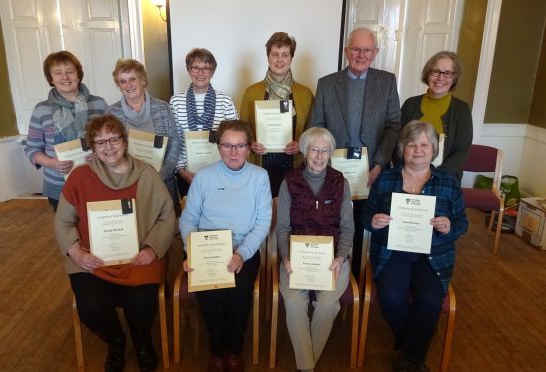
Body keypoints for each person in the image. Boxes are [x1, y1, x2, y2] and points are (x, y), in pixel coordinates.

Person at [54, 114, 175, 372]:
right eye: (100, 142)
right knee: (92, 309)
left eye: (113, 139)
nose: (108, 147)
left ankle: (142, 340)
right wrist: (77, 253)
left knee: (142, 304)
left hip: (139, 257)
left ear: (125, 141)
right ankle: (116, 340)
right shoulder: (79, 177)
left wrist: (152, 249)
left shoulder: (146, 174)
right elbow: (63, 222)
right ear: (93, 147)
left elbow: (167, 216)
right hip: (92, 259)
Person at [362, 121, 467, 372]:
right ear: (402, 149)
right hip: (392, 251)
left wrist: (449, 227)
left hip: (433, 254)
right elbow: (366, 216)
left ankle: (409, 358)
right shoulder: (386, 178)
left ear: (433, 149)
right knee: (390, 295)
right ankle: (414, 350)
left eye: (424, 145)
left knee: (430, 300)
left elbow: (462, 222)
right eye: (412, 145)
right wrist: (374, 221)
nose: (418, 150)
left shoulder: (448, 182)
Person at [179, 120, 271, 372]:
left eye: (239, 145)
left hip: (244, 250)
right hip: (206, 250)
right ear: (218, 147)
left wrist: (241, 253)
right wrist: (192, 252)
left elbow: (263, 222)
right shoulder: (204, 177)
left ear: (249, 148)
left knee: (239, 296)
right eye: (227, 145)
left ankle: (235, 350)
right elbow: (188, 219)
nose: (233, 152)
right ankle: (217, 349)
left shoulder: (260, 177)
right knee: (212, 297)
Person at [309, 27, 401, 276]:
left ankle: (358, 280)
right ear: (346, 51)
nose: (361, 55)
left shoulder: (387, 81)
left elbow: (394, 126)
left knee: (364, 225)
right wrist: (324, 163)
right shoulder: (327, 84)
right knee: (334, 223)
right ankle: (331, 275)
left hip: (372, 171)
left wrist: (379, 164)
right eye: (356, 49)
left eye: (367, 50)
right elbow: (316, 126)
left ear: (375, 52)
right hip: (333, 172)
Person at [276, 127, 354, 372]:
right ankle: (307, 367)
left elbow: (347, 227)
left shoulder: (340, 182)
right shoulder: (289, 181)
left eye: (324, 150)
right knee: (294, 302)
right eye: (313, 149)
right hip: (296, 258)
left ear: (331, 152)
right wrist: (286, 259)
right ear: (304, 151)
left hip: (333, 258)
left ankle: (304, 366)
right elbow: (282, 228)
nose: (319, 156)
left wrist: (341, 258)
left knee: (327, 304)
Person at [25, 51, 107, 211]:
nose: (65, 77)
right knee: (68, 232)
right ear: (51, 78)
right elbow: (31, 149)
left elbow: (112, 141)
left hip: (97, 178)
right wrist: (51, 163)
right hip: (58, 184)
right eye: (58, 73)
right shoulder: (41, 110)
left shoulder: (99, 104)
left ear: (78, 74)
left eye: (70, 71)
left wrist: (99, 154)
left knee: (97, 231)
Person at [240, 32, 314, 196]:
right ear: (268, 57)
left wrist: (301, 144)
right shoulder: (251, 92)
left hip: (295, 166)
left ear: (291, 58)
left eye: (285, 55)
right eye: (275, 54)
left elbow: (313, 130)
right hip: (260, 166)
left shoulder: (306, 94)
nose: (279, 60)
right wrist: (251, 143)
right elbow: (242, 129)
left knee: (292, 213)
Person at [107, 58, 181, 213]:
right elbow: (109, 149)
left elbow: (174, 142)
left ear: (143, 80)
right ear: (119, 86)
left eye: (132, 79)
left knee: (166, 226)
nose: (128, 85)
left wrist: (161, 175)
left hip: (162, 181)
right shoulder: (111, 113)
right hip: (126, 182)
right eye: (122, 81)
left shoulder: (162, 108)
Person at [170, 48, 238, 197]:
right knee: (190, 217)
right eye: (196, 68)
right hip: (187, 174)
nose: (201, 73)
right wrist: (181, 170)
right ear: (189, 70)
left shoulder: (225, 101)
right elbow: (174, 141)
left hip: (221, 173)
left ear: (212, 72)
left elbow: (236, 138)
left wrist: (226, 168)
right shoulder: (176, 102)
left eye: (206, 68)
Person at [399, 51, 473, 180]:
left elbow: (462, 151)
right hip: (407, 177)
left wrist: (435, 176)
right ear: (428, 74)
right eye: (435, 71)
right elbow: (398, 142)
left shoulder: (462, 110)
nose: (440, 78)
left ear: (454, 78)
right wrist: (407, 172)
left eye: (448, 73)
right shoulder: (410, 104)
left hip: (445, 178)